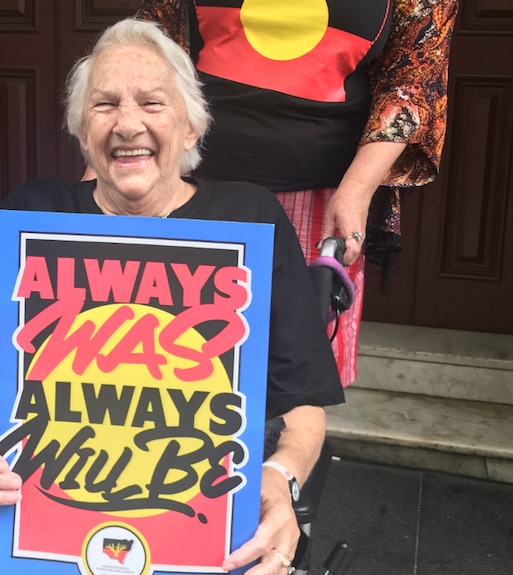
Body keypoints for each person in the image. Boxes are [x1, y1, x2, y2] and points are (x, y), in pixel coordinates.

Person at [0, 18, 344, 575]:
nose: (127, 123)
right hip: (40, 541)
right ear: (82, 131)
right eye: (105, 105)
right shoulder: (36, 219)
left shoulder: (250, 219)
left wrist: (278, 477)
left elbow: (303, 405)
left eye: (152, 103)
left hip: (206, 537)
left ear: (190, 127)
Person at [130, 0, 459, 386]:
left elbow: (412, 83)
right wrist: (101, 176)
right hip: (183, 185)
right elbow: (147, 46)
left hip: (319, 199)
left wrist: (357, 191)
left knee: (295, 371)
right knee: (171, 353)